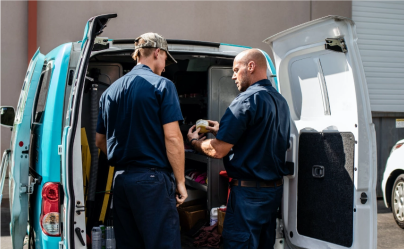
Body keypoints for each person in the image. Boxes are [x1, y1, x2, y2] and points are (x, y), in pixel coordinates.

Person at [187, 49, 290, 249]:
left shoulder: (245, 100)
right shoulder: (280, 101)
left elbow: (218, 151)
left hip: (248, 196)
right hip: (273, 194)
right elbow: (260, 139)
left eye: (236, 70)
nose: (233, 75)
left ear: (251, 66)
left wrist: (193, 142)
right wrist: (223, 131)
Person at [95, 32, 187, 249]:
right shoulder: (163, 86)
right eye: (165, 59)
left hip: (121, 181)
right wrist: (181, 182)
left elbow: (100, 142)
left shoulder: (109, 93)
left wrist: (128, 157)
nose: (165, 66)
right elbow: (173, 138)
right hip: (152, 180)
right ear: (157, 52)